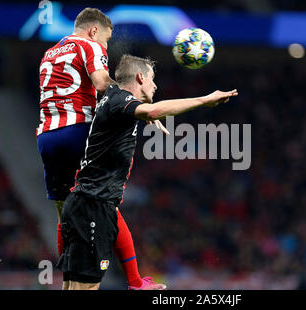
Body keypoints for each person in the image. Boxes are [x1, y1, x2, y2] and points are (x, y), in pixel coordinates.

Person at [58, 54, 238, 290]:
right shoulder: (119, 100)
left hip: (88, 205)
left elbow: (142, 111)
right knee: (84, 288)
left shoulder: (114, 98)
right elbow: (151, 111)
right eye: (152, 79)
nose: (155, 85)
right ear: (140, 77)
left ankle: (136, 283)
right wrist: (204, 100)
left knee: (74, 286)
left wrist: (135, 282)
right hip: (91, 207)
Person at [37, 8, 165, 290]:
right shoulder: (90, 45)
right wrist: (136, 106)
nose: (105, 46)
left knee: (66, 212)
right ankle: (134, 281)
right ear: (94, 31)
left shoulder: (49, 54)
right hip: (78, 131)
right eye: (106, 40)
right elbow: (101, 83)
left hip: (46, 136)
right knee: (104, 203)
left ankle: (69, 280)